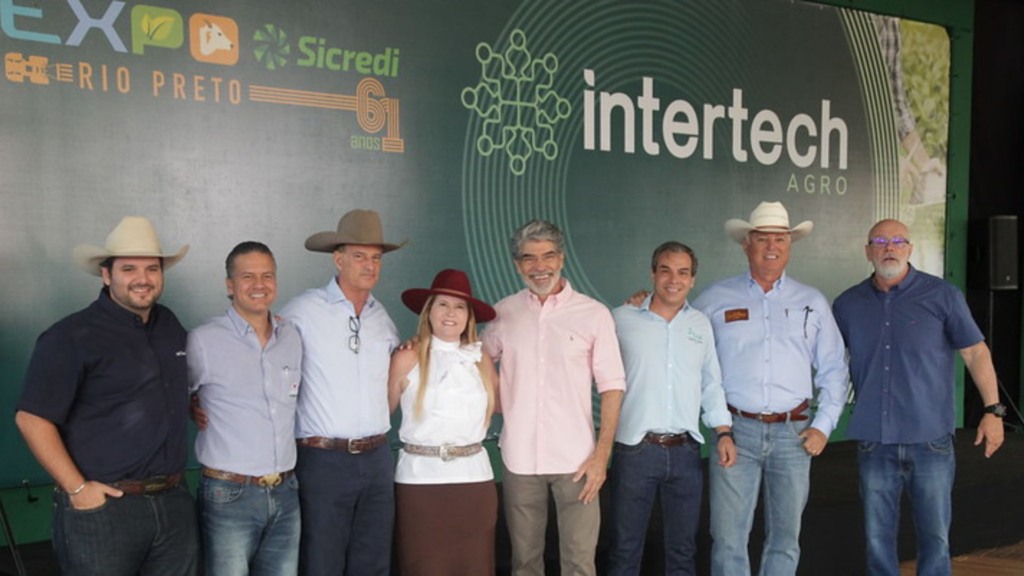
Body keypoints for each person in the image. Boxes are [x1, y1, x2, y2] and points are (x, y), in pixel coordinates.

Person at [15, 216, 198, 576]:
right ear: (106, 274)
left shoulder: (169, 325)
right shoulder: (69, 337)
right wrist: (78, 489)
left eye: (152, 269)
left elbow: (171, 389)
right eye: (128, 268)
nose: (142, 279)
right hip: (104, 510)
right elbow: (32, 418)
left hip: (175, 503)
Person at [832, 219, 1005, 576]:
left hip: (931, 442)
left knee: (935, 538)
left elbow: (975, 353)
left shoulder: (942, 295)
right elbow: (829, 364)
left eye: (898, 241)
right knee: (877, 539)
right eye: (879, 241)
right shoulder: (848, 304)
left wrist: (994, 410)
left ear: (910, 249)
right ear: (868, 251)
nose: (889, 247)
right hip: (873, 442)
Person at [692, 201, 849, 576]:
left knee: (785, 538)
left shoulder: (811, 302)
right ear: (746, 243)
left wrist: (824, 425)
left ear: (790, 244)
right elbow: (682, 340)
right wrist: (643, 304)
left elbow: (834, 369)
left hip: (794, 435)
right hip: (734, 433)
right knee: (728, 539)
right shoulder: (714, 299)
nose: (772, 246)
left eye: (780, 238)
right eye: (763, 239)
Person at [481, 219, 626, 576]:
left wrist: (601, 455)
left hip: (578, 462)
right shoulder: (502, 313)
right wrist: (503, 404)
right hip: (519, 460)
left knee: (579, 563)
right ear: (517, 265)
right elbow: (478, 364)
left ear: (561, 258)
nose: (539, 266)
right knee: (524, 563)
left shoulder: (594, 314)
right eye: (529, 258)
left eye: (548, 256)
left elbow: (612, 386)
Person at [280, 209, 405, 576]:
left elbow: (394, 378)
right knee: (322, 560)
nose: (370, 265)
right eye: (360, 256)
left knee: (374, 560)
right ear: (338, 259)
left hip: (378, 456)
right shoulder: (303, 311)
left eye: (376, 258)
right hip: (323, 460)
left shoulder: (382, 317)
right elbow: (269, 364)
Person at [608, 241, 736, 576]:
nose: (673, 279)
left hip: (686, 453)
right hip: (634, 450)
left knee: (682, 552)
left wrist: (722, 432)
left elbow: (711, 384)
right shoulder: (620, 319)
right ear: (653, 274)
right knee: (625, 550)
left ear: (693, 279)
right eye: (665, 270)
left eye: (683, 272)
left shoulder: (701, 325)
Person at [187, 241, 303, 576]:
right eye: (248, 276)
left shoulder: (292, 337)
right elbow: (168, 395)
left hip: (285, 491)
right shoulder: (204, 340)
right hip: (228, 495)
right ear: (230, 285)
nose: (259, 285)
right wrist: (190, 406)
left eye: (267, 275)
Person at [387, 268, 500, 576]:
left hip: (474, 482)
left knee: (474, 566)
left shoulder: (481, 359)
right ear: (429, 311)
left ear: (469, 316)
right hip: (419, 483)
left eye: (460, 306)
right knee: (425, 566)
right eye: (443, 304)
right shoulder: (406, 357)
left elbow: (507, 406)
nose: (451, 313)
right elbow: (379, 414)